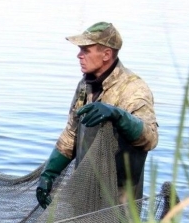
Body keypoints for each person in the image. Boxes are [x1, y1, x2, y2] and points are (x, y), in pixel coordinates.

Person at [36, 22, 159, 210]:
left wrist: (118, 115)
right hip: (85, 187)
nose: (79, 55)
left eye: (86, 50)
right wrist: (49, 173)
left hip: (119, 196)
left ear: (106, 55)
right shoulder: (85, 86)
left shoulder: (134, 89)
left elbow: (150, 139)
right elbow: (72, 134)